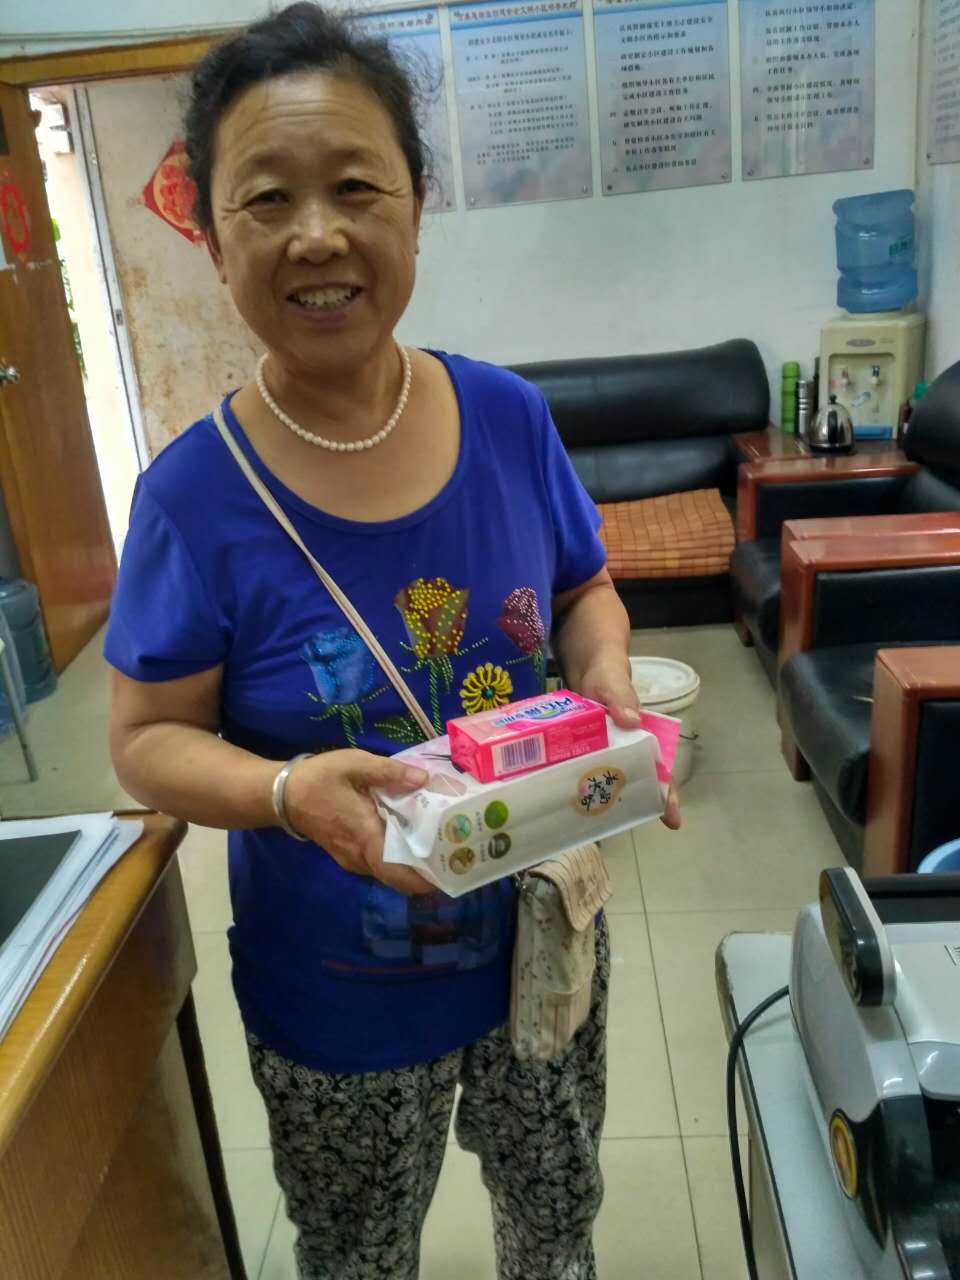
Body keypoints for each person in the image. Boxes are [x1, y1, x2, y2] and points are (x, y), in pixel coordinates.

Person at [106, 6, 680, 1278]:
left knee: (556, 1222)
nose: (317, 234)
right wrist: (284, 790)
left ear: (417, 204)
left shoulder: (510, 416)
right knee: (359, 1253)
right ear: (212, 235)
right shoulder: (193, 498)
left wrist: (604, 678)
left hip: (541, 932)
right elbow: (145, 741)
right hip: (339, 995)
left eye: (356, 186)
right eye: (268, 198)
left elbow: (585, 585)